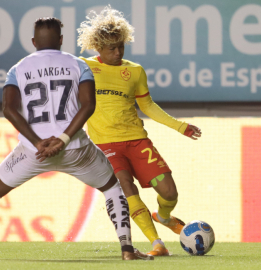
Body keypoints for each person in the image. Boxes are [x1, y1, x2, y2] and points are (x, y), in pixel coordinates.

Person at [0, 17, 152, 261]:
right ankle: (127, 250)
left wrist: (36, 141)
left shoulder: (17, 68)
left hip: (33, 151)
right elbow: (88, 105)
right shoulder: (78, 65)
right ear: (61, 40)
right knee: (112, 187)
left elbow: (8, 109)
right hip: (75, 148)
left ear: (33, 42)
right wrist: (62, 139)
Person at [77, 6, 202, 256]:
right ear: (97, 47)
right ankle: (157, 243)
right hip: (106, 145)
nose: (117, 52)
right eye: (111, 47)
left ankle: (164, 216)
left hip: (137, 142)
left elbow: (147, 106)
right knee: (126, 187)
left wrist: (180, 126)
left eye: (121, 46)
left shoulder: (134, 71)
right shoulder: (83, 67)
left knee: (169, 192)